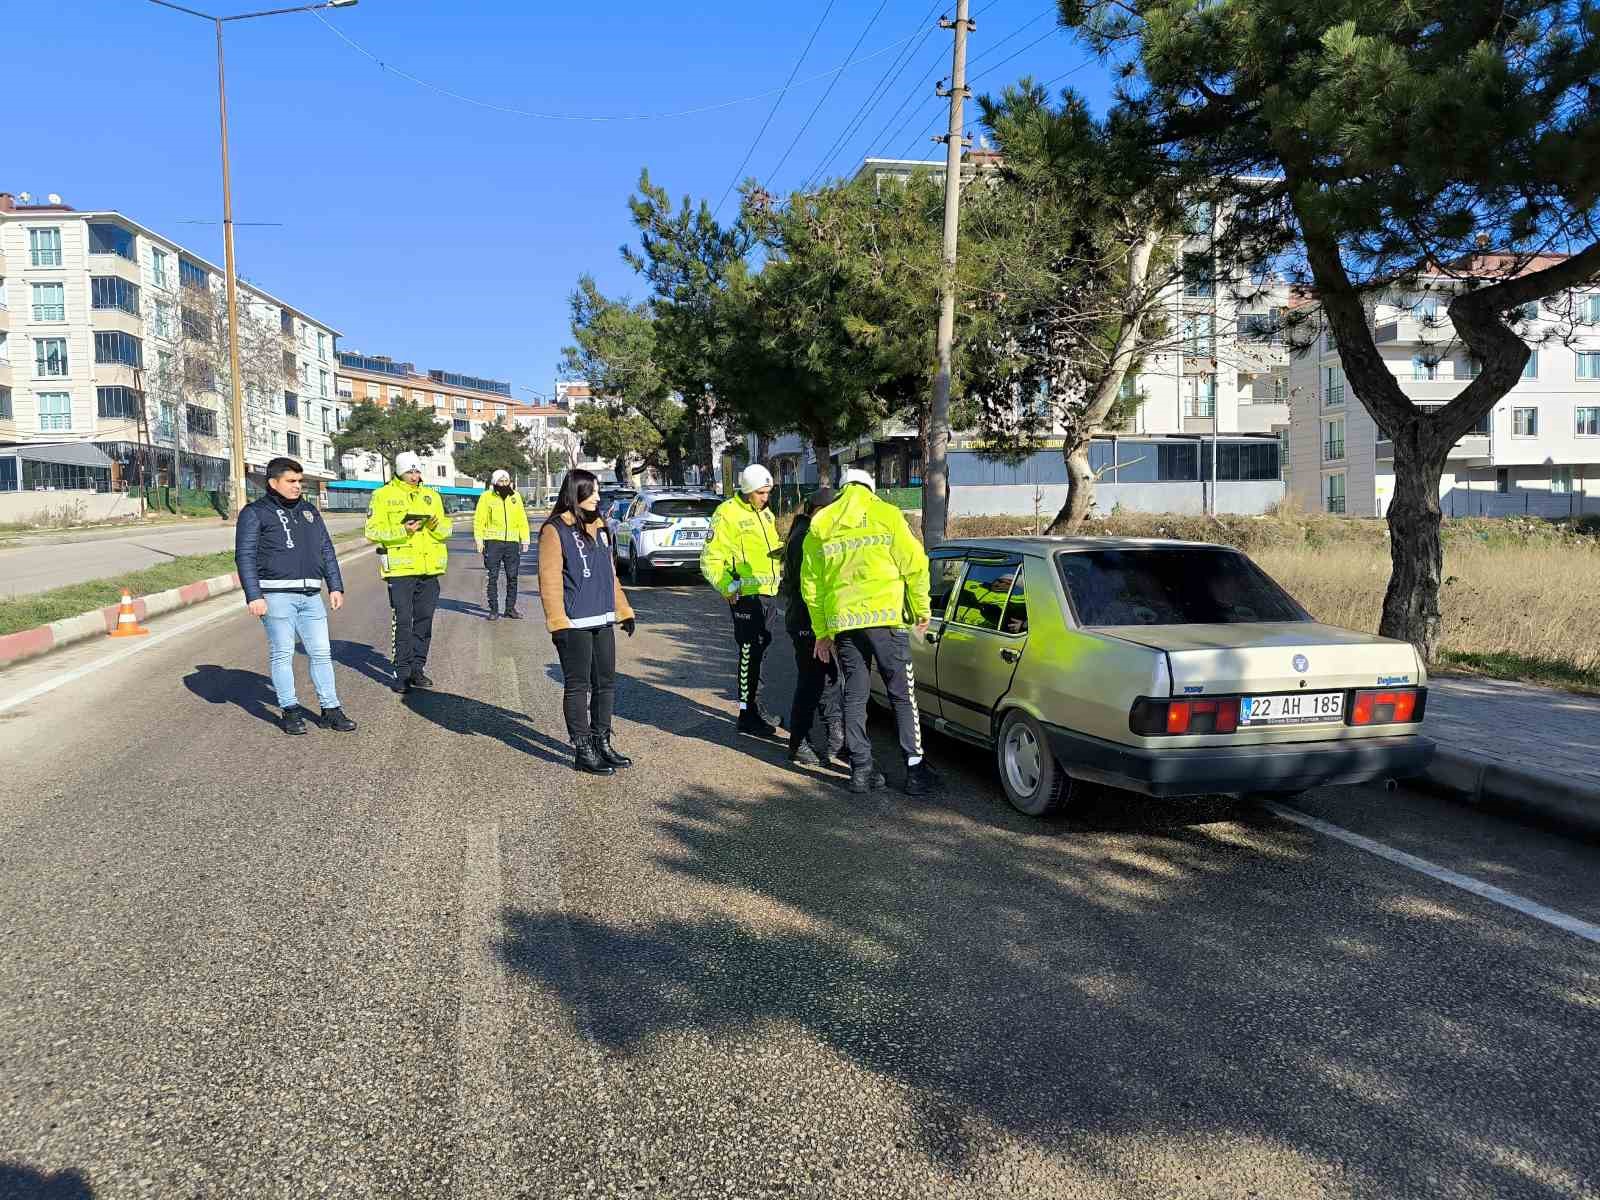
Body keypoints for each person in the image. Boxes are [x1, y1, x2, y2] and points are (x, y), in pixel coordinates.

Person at [800, 468, 936, 796]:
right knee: (902, 694)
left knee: (855, 694)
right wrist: (921, 608)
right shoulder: (887, 514)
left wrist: (822, 632)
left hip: (845, 625)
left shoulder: (821, 523)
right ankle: (915, 771)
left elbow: (811, 585)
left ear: (844, 488)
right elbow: (915, 564)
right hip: (887, 622)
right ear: (871, 488)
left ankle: (860, 769)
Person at [234, 456, 356, 735]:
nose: (297, 486)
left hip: (311, 595)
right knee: (283, 654)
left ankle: (331, 709)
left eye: (300, 481)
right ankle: (290, 710)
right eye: (291, 481)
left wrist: (335, 586)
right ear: (273, 482)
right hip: (276, 596)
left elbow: (326, 549)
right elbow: (245, 556)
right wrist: (254, 595)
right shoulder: (255, 512)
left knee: (322, 653)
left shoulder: (310, 512)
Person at [538, 468, 637, 775]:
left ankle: (602, 741)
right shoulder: (555, 529)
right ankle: (582, 749)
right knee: (578, 685)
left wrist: (624, 610)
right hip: (574, 622)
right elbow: (549, 579)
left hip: (602, 617)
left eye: (596, 491)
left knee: (605, 684)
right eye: (591, 491)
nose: (597, 496)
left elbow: (610, 575)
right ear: (574, 493)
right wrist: (557, 623)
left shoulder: (601, 525)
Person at [700, 463, 783, 737]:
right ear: (748, 491)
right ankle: (747, 714)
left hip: (768, 594)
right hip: (745, 596)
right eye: (760, 493)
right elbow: (711, 559)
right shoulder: (727, 514)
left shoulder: (766, 513)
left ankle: (756, 706)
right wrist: (728, 587)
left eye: (768, 492)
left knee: (761, 651)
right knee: (749, 653)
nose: (765, 497)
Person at [364, 450, 452, 695]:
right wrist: (403, 529)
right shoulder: (383, 495)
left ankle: (417, 669)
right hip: (401, 570)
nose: (414, 476)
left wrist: (436, 525)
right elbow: (372, 531)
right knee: (403, 622)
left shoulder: (431, 496)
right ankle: (401, 673)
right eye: (409, 471)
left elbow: (445, 530)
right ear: (399, 472)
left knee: (424, 621)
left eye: (417, 471)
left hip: (429, 568)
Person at [780, 486, 844, 768]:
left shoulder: (807, 532)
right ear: (816, 511)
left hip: (811, 621)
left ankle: (835, 738)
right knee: (811, 681)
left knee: (826, 680)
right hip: (807, 622)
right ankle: (799, 742)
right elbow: (811, 588)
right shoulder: (804, 537)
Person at [473, 468, 531, 621]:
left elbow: (522, 519)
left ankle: (510, 608)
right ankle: (494, 609)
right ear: (494, 483)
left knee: (512, 577)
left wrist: (525, 539)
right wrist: (479, 540)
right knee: (493, 577)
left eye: (506, 481)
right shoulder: (486, 497)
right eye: (501, 481)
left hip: (512, 543)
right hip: (493, 543)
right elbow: (479, 520)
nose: (504, 484)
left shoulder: (515, 496)